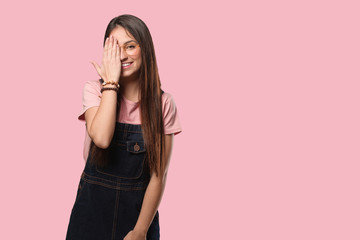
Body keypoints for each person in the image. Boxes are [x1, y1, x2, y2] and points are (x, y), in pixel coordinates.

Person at [66, 14, 182, 240]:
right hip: (90, 214)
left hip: (137, 219)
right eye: (114, 47)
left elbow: (159, 175)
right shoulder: (94, 90)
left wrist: (140, 231)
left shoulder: (164, 104)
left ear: (145, 49)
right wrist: (110, 84)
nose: (122, 55)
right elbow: (101, 138)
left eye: (130, 46)